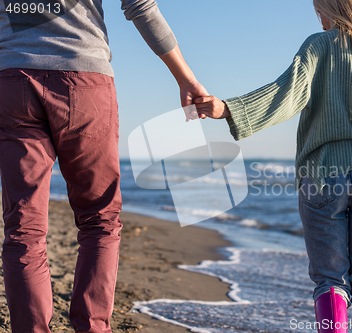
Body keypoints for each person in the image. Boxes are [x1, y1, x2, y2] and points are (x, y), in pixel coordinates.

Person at [194, 0, 352, 332]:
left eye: (318, 8)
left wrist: (228, 109)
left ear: (333, 9)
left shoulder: (319, 46)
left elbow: (286, 94)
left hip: (321, 178)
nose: (318, 17)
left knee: (329, 280)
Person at [0, 1, 207, 332]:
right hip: (82, 77)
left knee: (23, 227)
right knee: (100, 220)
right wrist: (186, 77)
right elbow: (140, 5)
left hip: (13, 80)